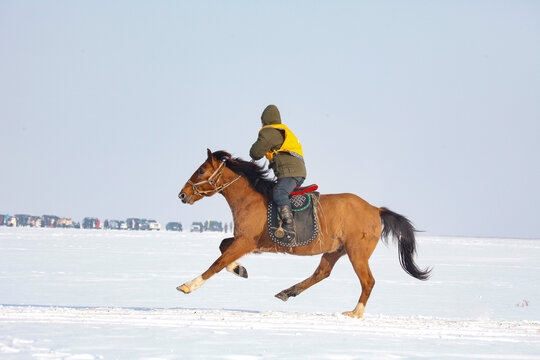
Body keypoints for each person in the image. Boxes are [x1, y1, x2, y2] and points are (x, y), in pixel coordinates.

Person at [249, 104, 306, 242]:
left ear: (265, 120)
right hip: (295, 171)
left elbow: (255, 153)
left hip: (290, 172)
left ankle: (289, 226)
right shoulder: (282, 131)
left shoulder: (269, 132)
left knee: (280, 193)